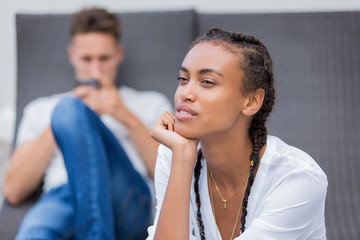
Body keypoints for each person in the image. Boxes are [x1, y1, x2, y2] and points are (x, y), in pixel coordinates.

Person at [4, 7, 172, 240]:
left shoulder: (150, 103)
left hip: (127, 201)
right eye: (86, 59)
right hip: (64, 196)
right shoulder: (41, 109)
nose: (95, 70)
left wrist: (125, 116)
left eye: (104, 59)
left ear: (119, 54)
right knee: (34, 232)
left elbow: (173, 177)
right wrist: (66, 122)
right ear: (72, 55)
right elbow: (13, 191)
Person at [146, 28, 328, 240]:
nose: (184, 93)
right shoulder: (174, 155)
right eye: (183, 78)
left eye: (207, 82)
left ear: (251, 102)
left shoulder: (297, 178)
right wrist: (183, 157)